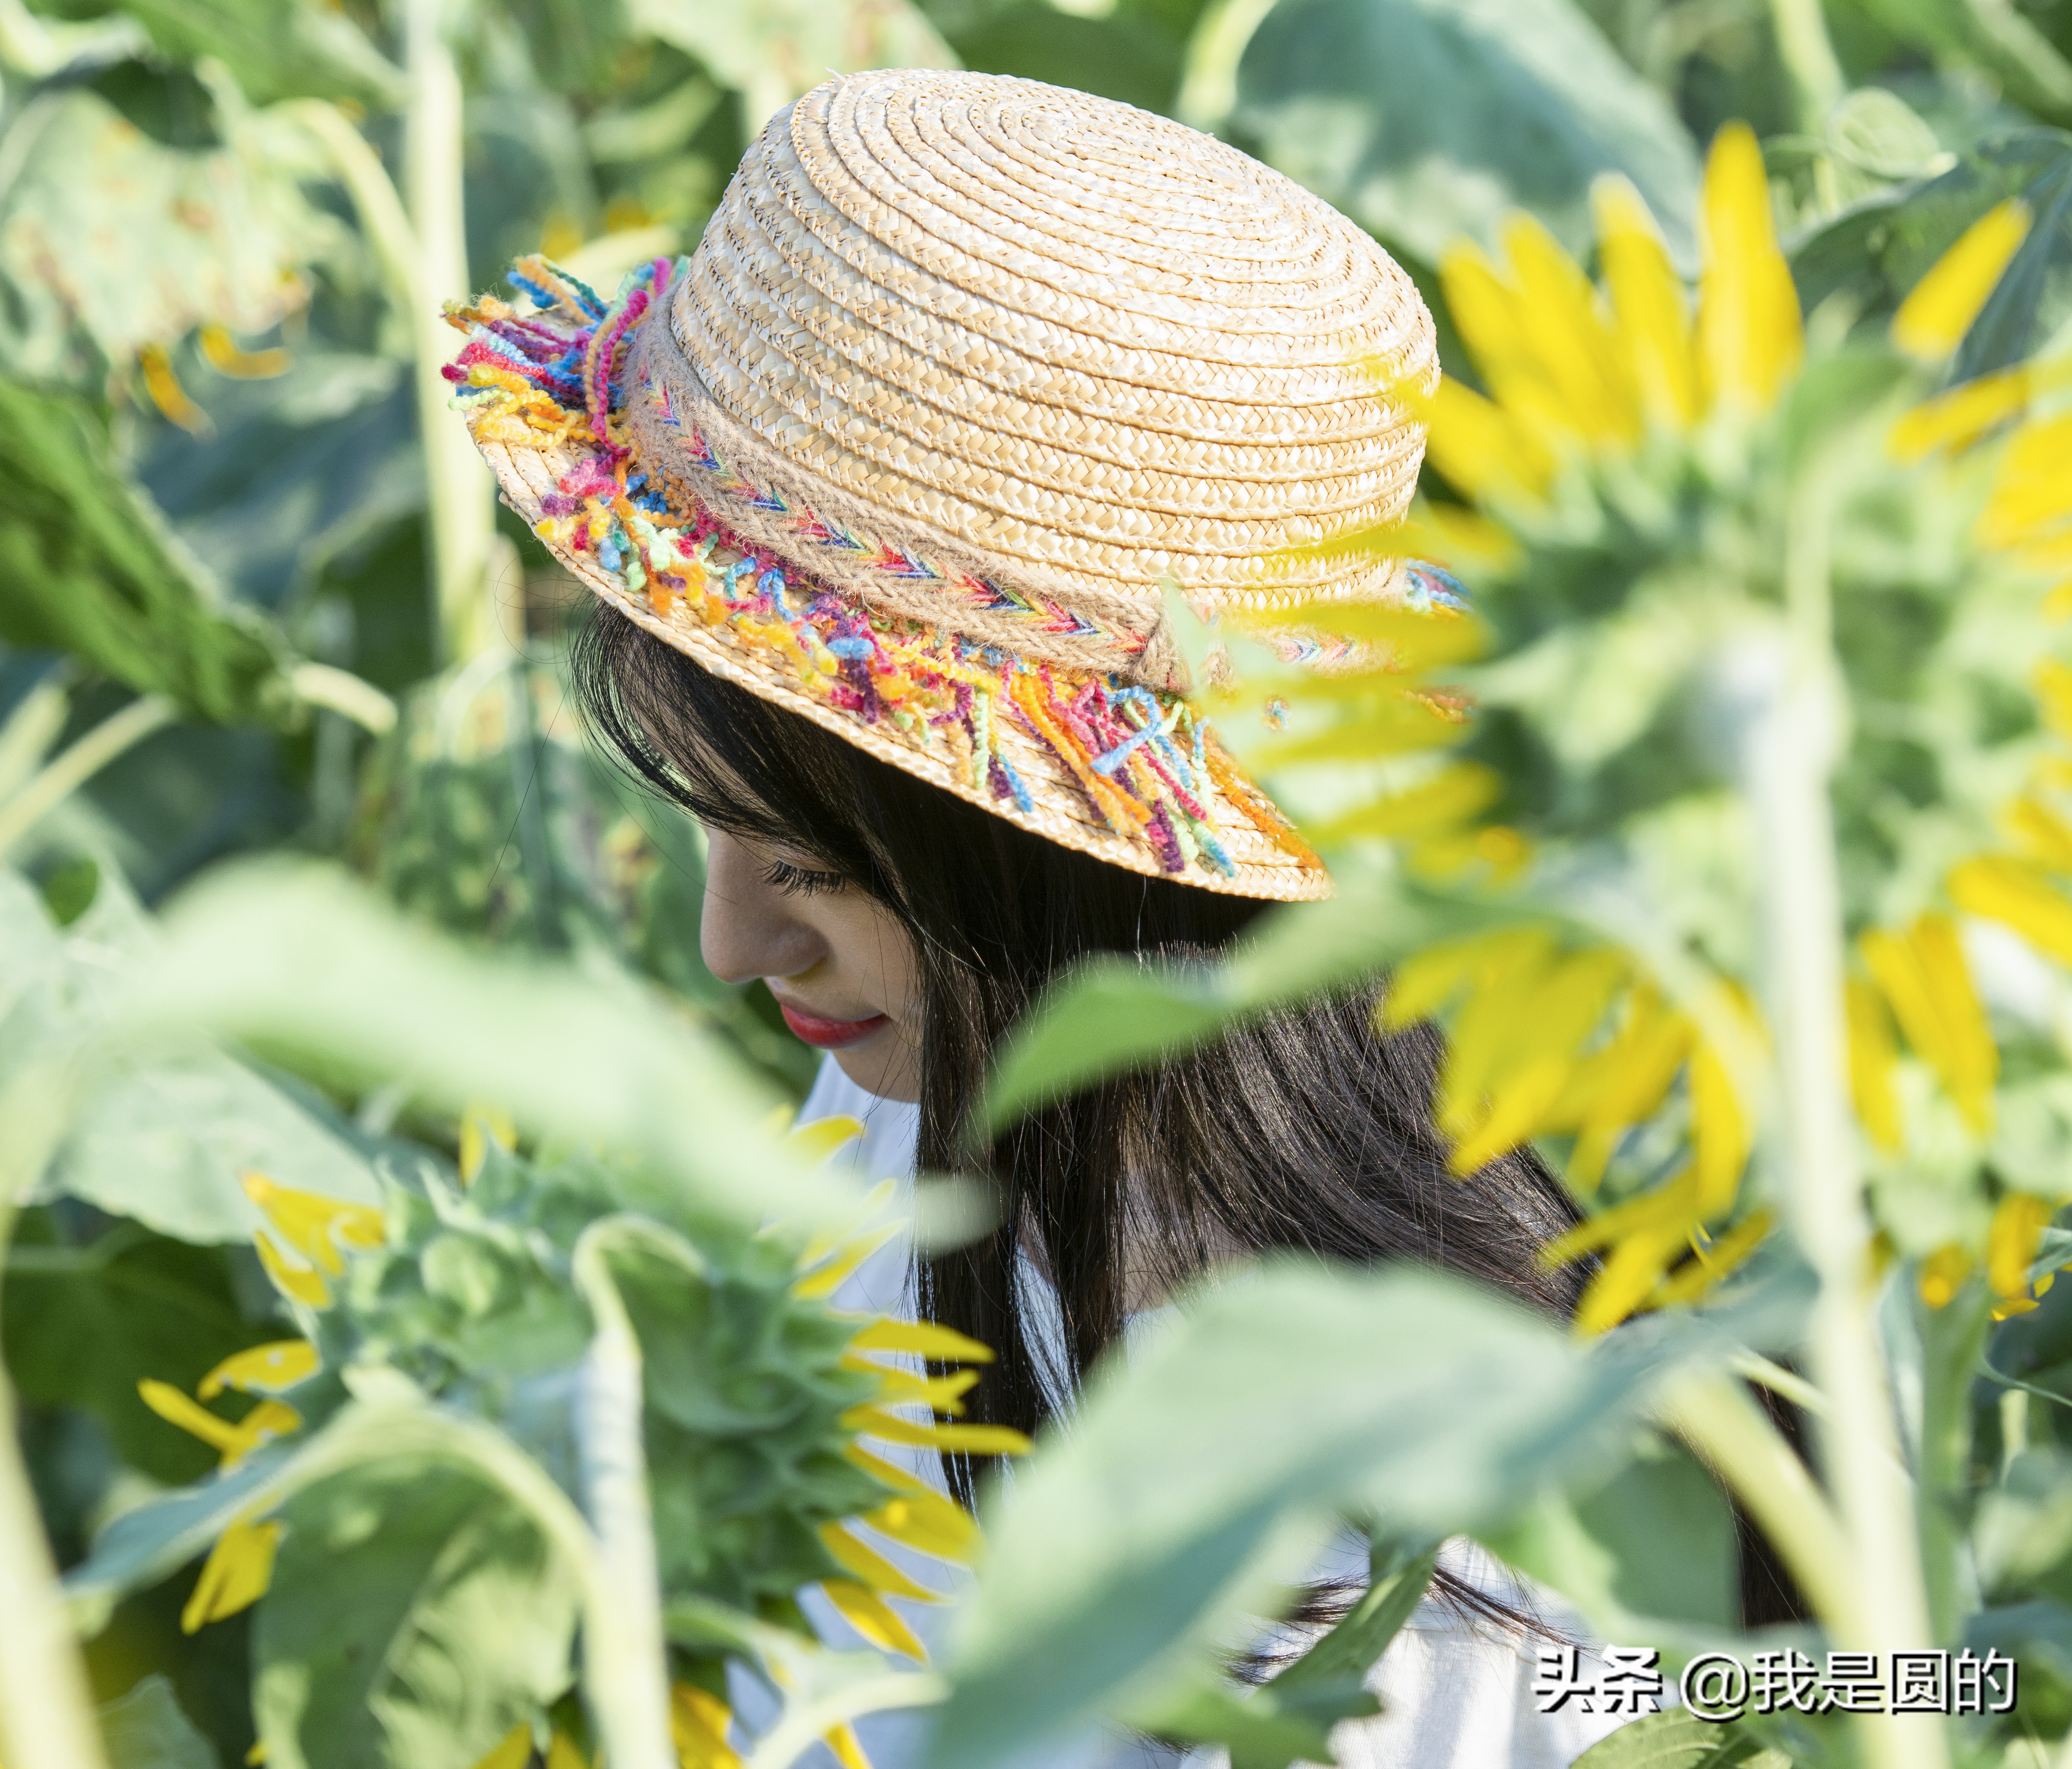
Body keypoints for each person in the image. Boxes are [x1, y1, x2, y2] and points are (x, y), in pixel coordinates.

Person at [448, 67, 1617, 1766]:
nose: (728, 952)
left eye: (814, 870)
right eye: (715, 828)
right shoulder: (923, 1071)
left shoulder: (1385, 1529)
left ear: (1077, 877)